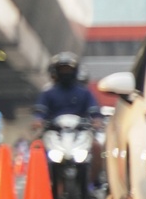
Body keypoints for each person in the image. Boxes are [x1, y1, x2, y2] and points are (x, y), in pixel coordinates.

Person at [33, 53, 102, 188]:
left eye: (68, 69)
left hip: (79, 132)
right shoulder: (48, 93)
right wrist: (38, 121)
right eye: (62, 69)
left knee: (97, 147)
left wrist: (96, 120)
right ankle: (39, 180)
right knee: (36, 146)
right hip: (55, 133)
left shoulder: (84, 92)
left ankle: (94, 182)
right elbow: (40, 111)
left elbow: (94, 110)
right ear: (56, 72)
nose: (66, 73)